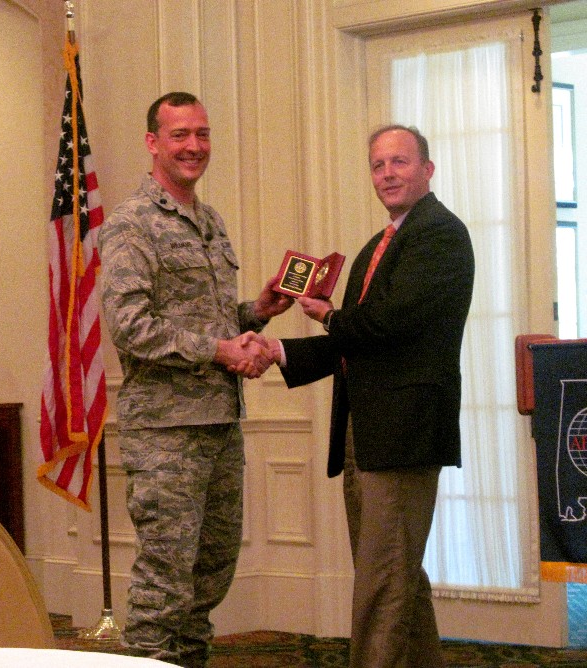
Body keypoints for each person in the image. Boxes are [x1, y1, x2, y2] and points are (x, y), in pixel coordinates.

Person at [268, 125, 475, 667]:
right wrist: (275, 351)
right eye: (378, 165)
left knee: (383, 585)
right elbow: (350, 344)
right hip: (365, 433)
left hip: (404, 436)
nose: (387, 174)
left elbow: (388, 324)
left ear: (427, 169)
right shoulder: (374, 247)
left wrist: (332, 315)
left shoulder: (440, 235)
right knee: (396, 575)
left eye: (400, 162)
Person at [98, 91, 292, 667]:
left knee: (207, 582)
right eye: (180, 135)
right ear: (153, 143)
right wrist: (218, 349)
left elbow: (207, 320)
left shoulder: (209, 221)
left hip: (220, 426)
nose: (194, 146)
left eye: (202, 134)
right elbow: (131, 326)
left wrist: (254, 312)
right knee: (163, 589)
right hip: (165, 436)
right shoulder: (132, 225)